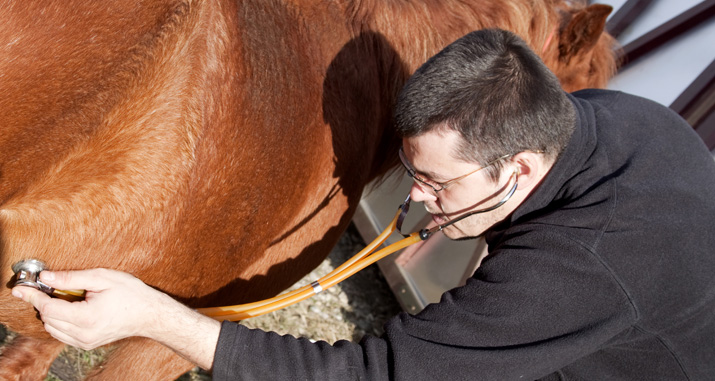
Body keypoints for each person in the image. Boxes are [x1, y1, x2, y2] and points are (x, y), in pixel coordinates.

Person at [13, 28, 715, 380]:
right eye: (413, 171)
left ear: (518, 167)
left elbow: (374, 375)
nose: (416, 196)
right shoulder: (607, 117)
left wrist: (158, 317)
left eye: (438, 184)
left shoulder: (577, 269)